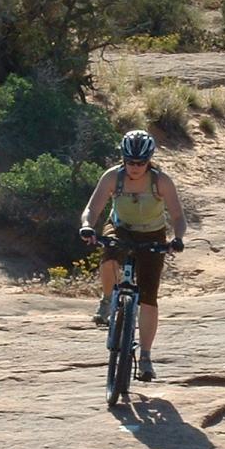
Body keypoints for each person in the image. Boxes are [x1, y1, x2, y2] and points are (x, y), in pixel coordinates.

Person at [79, 130, 186, 381]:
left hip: (152, 234)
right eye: (130, 162)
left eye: (140, 163)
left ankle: (146, 357)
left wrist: (177, 239)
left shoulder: (161, 181)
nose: (135, 167)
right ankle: (107, 300)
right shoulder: (112, 178)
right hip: (121, 228)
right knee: (109, 261)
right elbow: (92, 208)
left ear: (149, 160)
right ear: (123, 159)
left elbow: (178, 217)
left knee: (149, 298)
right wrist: (87, 226)